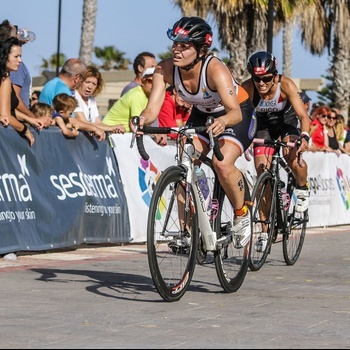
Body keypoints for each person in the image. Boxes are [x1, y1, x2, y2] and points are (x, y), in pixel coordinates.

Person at [131, 16, 257, 249]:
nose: (176, 50)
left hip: (236, 114)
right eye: (174, 44)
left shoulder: (215, 69)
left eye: (184, 46)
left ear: (200, 50)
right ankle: (185, 230)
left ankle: (241, 214)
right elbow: (151, 109)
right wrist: (140, 119)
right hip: (203, 114)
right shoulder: (165, 69)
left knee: (222, 164)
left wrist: (223, 122)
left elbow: (234, 113)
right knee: (185, 162)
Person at [242, 51, 310, 251]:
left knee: (293, 157)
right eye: (257, 79)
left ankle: (303, 187)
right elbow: (239, 116)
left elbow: (303, 116)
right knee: (262, 172)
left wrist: (304, 136)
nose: (261, 84)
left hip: (286, 123)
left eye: (266, 79)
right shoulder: (247, 87)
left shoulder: (285, 84)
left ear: (274, 75)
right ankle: (264, 231)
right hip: (263, 126)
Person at [0, 20, 48, 128]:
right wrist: (30, 123)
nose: (21, 34)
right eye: (17, 32)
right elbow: (14, 104)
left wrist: (30, 119)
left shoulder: (14, 65)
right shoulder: (12, 70)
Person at [0, 37, 35, 146]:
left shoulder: (6, 79)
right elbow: (6, 115)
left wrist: (30, 119)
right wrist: (25, 130)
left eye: (20, 56)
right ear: (4, 57)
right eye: (16, 56)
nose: (20, 60)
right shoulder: (4, 80)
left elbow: (10, 110)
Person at [74, 65, 125, 134]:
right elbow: (84, 123)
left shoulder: (91, 99)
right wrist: (111, 127)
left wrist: (114, 128)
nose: (90, 87)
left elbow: (98, 123)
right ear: (80, 81)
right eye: (87, 82)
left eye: (94, 84)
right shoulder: (74, 96)